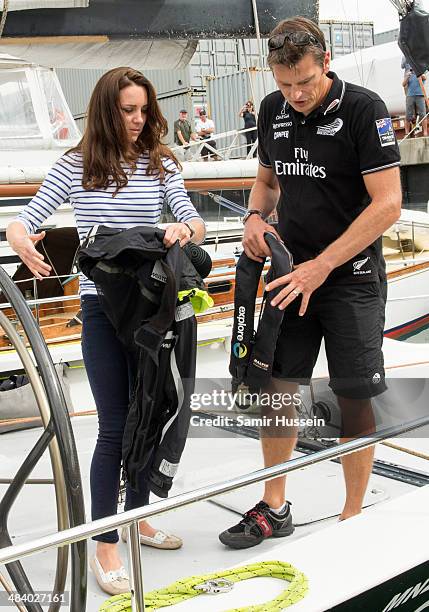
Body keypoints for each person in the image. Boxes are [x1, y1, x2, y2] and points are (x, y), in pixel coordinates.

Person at [7, 67, 206, 594]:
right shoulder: (77, 166)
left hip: (151, 312)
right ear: (105, 110)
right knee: (116, 425)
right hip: (100, 311)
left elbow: (193, 218)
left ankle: (136, 517)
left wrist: (183, 227)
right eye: (128, 111)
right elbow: (27, 218)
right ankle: (105, 542)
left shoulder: (161, 163)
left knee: (151, 416)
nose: (139, 120)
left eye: (144, 109)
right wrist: (22, 238)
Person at [219, 16, 402, 549]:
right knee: (279, 389)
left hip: (349, 278)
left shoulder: (364, 110)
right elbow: (267, 180)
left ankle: (352, 513)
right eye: (284, 85)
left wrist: (322, 265)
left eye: (304, 82)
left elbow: (388, 204)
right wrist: (254, 218)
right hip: (289, 276)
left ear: (326, 62)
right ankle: (274, 506)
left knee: (354, 396)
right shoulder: (272, 111)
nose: (295, 95)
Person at [402, 62, 428, 137]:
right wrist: (407, 77)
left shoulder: (420, 73)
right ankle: (406, 133)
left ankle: (425, 132)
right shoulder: (408, 74)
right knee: (408, 115)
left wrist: (417, 72)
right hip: (410, 95)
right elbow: (403, 84)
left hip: (420, 95)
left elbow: (424, 78)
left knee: (422, 114)